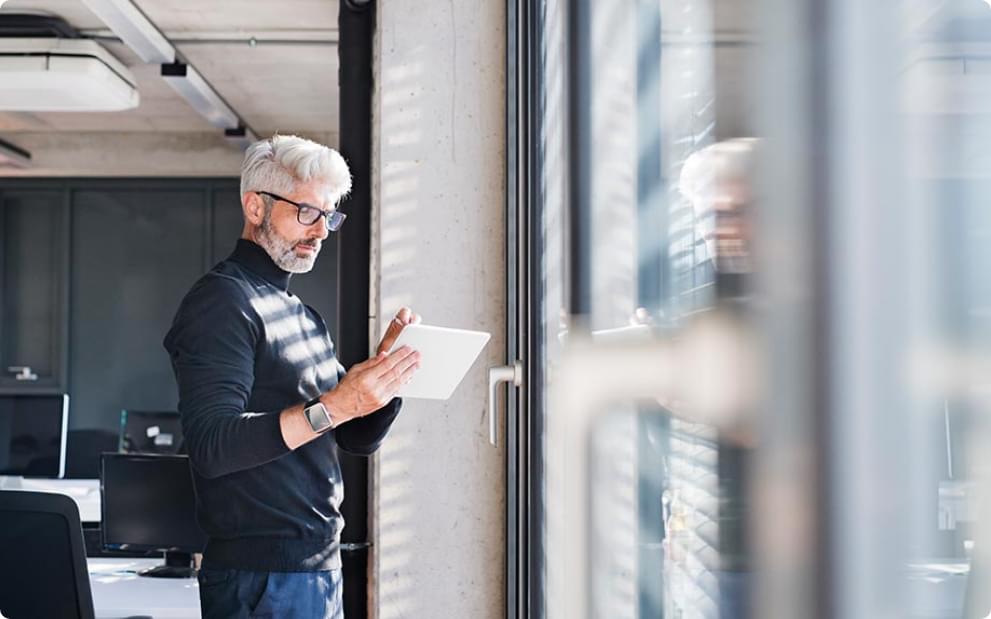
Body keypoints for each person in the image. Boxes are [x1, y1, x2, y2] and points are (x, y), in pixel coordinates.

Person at [164, 134, 421, 618]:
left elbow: (353, 438)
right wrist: (337, 404)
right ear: (255, 206)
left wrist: (384, 383)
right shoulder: (222, 302)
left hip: (314, 570)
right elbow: (213, 445)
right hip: (261, 577)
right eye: (308, 212)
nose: (321, 231)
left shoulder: (301, 317)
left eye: (329, 216)